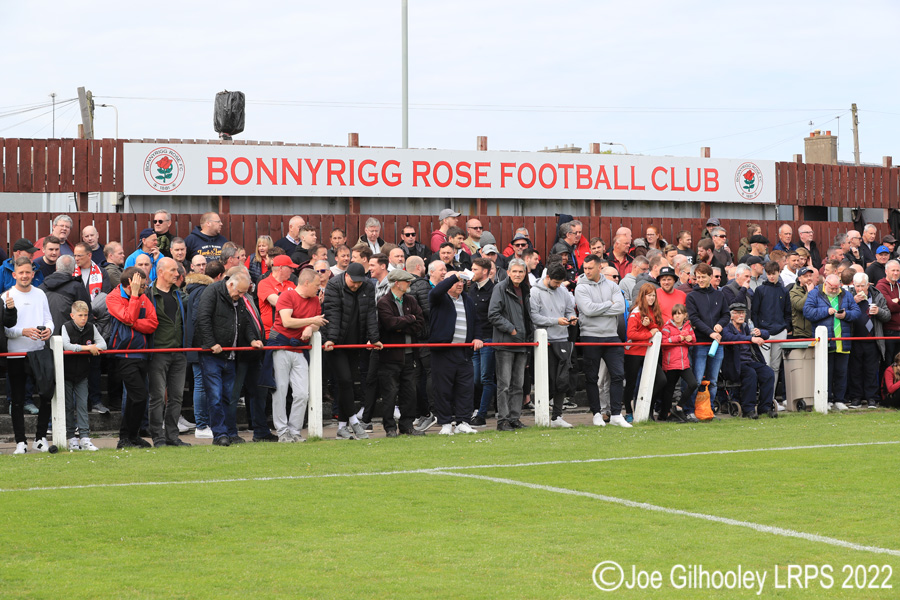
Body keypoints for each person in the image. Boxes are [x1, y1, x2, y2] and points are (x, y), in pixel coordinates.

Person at [195, 271, 264, 446]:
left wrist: (252, 339)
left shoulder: (238, 298)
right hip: (212, 355)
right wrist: (211, 343)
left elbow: (245, 322)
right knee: (216, 396)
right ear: (231, 284)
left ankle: (230, 432)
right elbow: (202, 318)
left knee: (228, 396)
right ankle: (220, 434)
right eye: (240, 292)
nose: (241, 296)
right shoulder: (211, 292)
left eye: (243, 293)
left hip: (231, 354)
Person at [322, 263, 382, 440]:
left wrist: (374, 337)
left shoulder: (368, 286)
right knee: (346, 381)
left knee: (345, 384)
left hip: (356, 343)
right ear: (346, 276)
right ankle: (354, 422)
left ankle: (342, 427)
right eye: (354, 282)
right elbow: (333, 313)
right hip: (337, 344)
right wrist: (331, 339)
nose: (356, 285)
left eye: (359, 282)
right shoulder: (333, 285)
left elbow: (371, 313)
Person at [270, 268, 327, 442]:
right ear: (307, 283)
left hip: (300, 349)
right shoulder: (287, 296)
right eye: (317, 285)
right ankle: (282, 431)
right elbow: (287, 321)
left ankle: (294, 431)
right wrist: (311, 322)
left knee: (302, 393)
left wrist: (310, 327)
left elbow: (318, 322)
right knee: (280, 390)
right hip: (281, 347)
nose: (319, 288)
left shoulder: (314, 300)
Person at [4, 258, 52, 454]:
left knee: (45, 396)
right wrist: (22, 331)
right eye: (21, 273)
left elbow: (49, 319)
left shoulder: (40, 294)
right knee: (17, 399)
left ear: (33, 274)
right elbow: (5, 329)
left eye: (28, 272)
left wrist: (49, 330)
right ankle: (20, 441)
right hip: (15, 354)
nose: (25, 276)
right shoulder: (6, 296)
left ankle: (40, 438)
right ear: (14, 275)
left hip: (39, 352)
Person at [575, 254, 629, 427]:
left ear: (600, 268)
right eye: (585, 268)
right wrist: (608, 304)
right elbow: (588, 310)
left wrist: (600, 308)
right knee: (592, 377)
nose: (587, 271)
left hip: (612, 336)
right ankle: (597, 413)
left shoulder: (613, 285)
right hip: (590, 335)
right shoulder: (581, 287)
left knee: (618, 375)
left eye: (590, 268)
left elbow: (620, 307)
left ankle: (615, 414)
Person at [107, 266, 159, 448]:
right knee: (139, 396)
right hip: (124, 354)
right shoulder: (113, 297)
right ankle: (127, 437)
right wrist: (135, 296)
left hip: (142, 354)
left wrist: (134, 322)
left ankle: (128, 437)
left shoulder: (143, 297)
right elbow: (128, 317)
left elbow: (153, 323)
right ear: (131, 284)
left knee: (134, 398)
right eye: (142, 285)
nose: (145, 288)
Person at [429, 270, 482, 435]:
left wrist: (477, 337)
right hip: (443, 352)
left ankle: (463, 422)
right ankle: (445, 423)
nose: (460, 284)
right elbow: (436, 291)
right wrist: (455, 276)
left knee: (465, 389)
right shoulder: (439, 299)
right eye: (456, 282)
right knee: (443, 389)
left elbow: (477, 322)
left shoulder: (467, 300)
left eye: (462, 282)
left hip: (464, 352)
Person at [146, 258, 191, 448]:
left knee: (177, 396)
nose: (177, 273)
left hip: (178, 353)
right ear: (161, 271)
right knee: (157, 397)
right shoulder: (148, 294)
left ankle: (172, 436)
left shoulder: (179, 294)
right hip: (157, 353)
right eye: (173, 270)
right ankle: (158, 436)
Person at [376, 269, 427, 437]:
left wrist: (402, 324)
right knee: (390, 394)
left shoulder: (411, 300)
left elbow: (419, 323)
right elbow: (390, 323)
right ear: (397, 283)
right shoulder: (384, 302)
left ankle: (407, 426)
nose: (410, 284)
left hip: (409, 355)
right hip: (390, 357)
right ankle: (390, 428)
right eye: (407, 281)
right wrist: (409, 319)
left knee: (409, 393)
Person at [803, 274, 861, 411]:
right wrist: (826, 311)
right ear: (826, 284)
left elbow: (857, 312)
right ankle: (826, 399)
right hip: (824, 342)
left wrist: (846, 315)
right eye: (832, 288)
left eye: (837, 288)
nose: (835, 290)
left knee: (841, 372)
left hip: (843, 340)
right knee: (826, 372)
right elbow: (807, 312)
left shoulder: (846, 295)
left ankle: (840, 400)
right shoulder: (814, 294)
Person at [488, 258, 533, 432]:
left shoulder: (526, 289)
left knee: (518, 385)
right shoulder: (500, 288)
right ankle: (503, 420)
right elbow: (493, 314)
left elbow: (528, 315)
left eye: (521, 271)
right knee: (504, 385)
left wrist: (528, 334)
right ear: (508, 272)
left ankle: (515, 418)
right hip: (505, 343)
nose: (517, 274)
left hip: (522, 343)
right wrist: (511, 329)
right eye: (514, 271)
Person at [685, 263, 729, 422]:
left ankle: (708, 410)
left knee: (714, 380)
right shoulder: (691, 296)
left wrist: (720, 325)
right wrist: (710, 332)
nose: (700, 280)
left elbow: (726, 314)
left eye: (704, 277)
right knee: (696, 380)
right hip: (701, 343)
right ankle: (690, 410)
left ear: (710, 277)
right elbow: (694, 318)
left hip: (717, 344)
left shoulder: (720, 295)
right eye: (698, 277)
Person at [61, 300, 106, 451]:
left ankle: (85, 437)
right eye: (80, 315)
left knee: (82, 405)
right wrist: (88, 348)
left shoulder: (91, 327)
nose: (83, 318)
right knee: (68, 406)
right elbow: (66, 345)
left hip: (82, 373)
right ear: (72, 315)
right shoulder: (65, 327)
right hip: (66, 373)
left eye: (86, 315)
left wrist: (94, 347)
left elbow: (103, 344)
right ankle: (71, 438)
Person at [721, 302, 776, 419]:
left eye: (743, 313)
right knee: (750, 374)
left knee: (768, 373)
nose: (741, 315)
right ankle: (748, 409)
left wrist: (760, 333)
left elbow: (766, 334)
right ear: (731, 316)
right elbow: (729, 337)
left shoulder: (747, 326)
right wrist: (751, 338)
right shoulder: (726, 327)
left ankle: (765, 407)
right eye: (738, 313)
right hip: (734, 365)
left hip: (750, 361)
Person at [750, 261, 792, 405]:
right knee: (765, 366)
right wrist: (757, 330)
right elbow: (754, 312)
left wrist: (785, 327)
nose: (771, 277)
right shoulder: (760, 290)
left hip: (780, 331)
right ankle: (764, 399)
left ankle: (771, 398)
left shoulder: (784, 291)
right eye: (769, 274)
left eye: (773, 273)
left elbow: (788, 312)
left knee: (775, 366)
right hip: (764, 332)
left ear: (778, 272)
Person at [623, 284, 666, 419]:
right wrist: (648, 334)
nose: (652, 298)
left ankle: (646, 408)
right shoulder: (636, 312)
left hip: (649, 352)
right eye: (649, 295)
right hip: (633, 353)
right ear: (643, 296)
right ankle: (629, 413)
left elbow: (658, 328)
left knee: (661, 380)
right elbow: (630, 334)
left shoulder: (654, 311)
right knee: (631, 383)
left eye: (653, 295)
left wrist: (650, 327)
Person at [848, 272, 890, 409]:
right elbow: (842, 313)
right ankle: (856, 398)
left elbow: (887, 315)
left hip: (873, 339)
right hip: (855, 339)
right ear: (853, 285)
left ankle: (872, 398)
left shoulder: (878, 296)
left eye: (863, 286)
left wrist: (879, 312)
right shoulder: (848, 296)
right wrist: (852, 302)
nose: (860, 289)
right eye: (857, 286)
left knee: (871, 370)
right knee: (855, 370)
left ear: (868, 285)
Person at [467, 257, 495, 427]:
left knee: (486, 378)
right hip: (474, 341)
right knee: (477, 378)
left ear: (485, 271)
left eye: (475, 269)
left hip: (488, 339)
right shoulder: (471, 289)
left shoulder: (494, 290)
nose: (472, 272)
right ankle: (477, 409)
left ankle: (482, 414)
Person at [660, 303, 696, 422]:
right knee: (669, 390)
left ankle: (679, 407)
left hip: (683, 363)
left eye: (679, 314)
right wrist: (679, 338)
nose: (677, 316)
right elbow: (663, 342)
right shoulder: (667, 326)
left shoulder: (688, 326)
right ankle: (666, 414)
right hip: (670, 364)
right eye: (675, 314)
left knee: (693, 384)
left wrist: (690, 340)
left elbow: (693, 339)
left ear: (685, 315)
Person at [40, 255, 92, 333]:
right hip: (69, 337)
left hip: (44, 336)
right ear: (74, 269)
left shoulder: (41, 288)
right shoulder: (77, 288)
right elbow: (86, 314)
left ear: (56, 268)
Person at [875, 260, 900, 369]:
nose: (896, 273)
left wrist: (897, 300)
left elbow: (894, 305)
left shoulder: (898, 285)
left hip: (899, 330)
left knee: (898, 364)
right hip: (888, 330)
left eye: (898, 270)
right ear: (886, 271)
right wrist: (894, 302)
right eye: (893, 270)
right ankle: (885, 386)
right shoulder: (881, 286)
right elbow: (890, 306)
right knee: (888, 363)